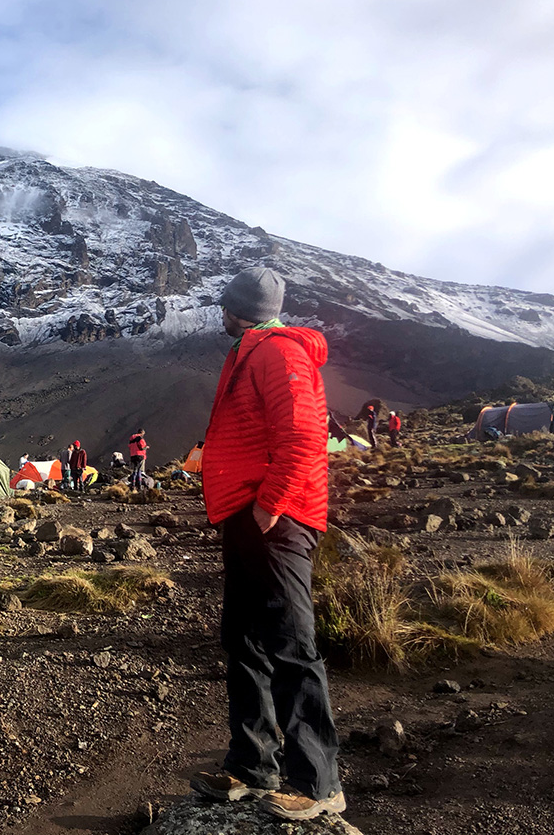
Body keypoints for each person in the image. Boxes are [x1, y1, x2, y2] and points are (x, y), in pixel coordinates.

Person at [191, 267, 344, 821]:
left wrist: (269, 504)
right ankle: (253, 767)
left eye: (226, 307)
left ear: (241, 310)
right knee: (245, 640)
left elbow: (305, 433)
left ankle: (317, 784)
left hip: (277, 521)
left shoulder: (279, 353)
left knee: (290, 643)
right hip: (248, 516)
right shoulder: (254, 350)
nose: (220, 314)